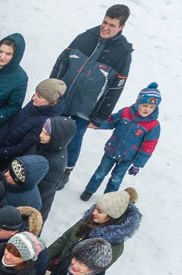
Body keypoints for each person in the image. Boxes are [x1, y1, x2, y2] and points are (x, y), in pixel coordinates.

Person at [49, 4, 135, 187]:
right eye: (105, 22)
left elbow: (115, 89)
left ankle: (66, 170)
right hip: (61, 98)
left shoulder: (123, 54)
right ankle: (45, 162)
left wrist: (99, 117)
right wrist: (51, 89)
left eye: (112, 25)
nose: (106, 27)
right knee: (51, 130)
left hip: (85, 108)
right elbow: (61, 62)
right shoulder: (85, 37)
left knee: (73, 139)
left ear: (121, 27)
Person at [82, 82, 161, 199]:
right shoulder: (125, 112)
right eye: (144, 105)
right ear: (138, 102)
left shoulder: (153, 125)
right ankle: (89, 191)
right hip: (111, 150)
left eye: (151, 107)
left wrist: (138, 164)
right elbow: (110, 121)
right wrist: (97, 125)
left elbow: (148, 147)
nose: (147, 109)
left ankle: (108, 200)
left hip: (127, 158)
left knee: (116, 179)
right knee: (100, 173)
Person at [45, 187, 140, 271]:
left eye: (99, 211)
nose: (93, 213)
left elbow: (91, 272)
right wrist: (44, 258)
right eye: (95, 208)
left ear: (112, 217)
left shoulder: (114, 247)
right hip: (56, 265)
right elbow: (63, 240)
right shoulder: (89, 220)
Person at [0, 78, 66, 168]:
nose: (33, 98)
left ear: (51, 102)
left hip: (7, 160)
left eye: (39, 96)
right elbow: (10, 123)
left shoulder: (45, 122)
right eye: (35, 93)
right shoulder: (34, 103)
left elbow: (23, 148)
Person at [35, 116, 77, 217]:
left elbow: (41, 191)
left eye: (46, 134)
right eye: (42, 131)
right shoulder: (47, 144)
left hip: (37, 206)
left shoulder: (56, 163)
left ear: (57, 137)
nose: (40, 135)